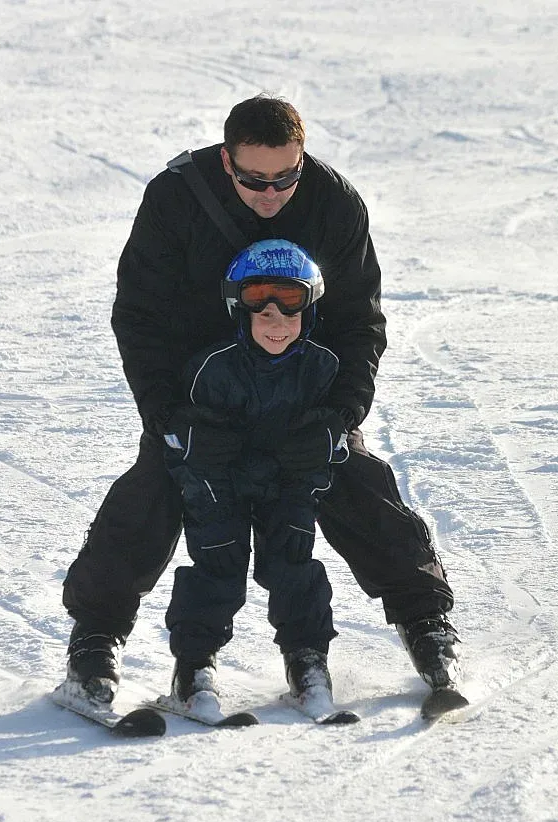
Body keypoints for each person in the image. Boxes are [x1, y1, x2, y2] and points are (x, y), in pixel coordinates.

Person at [63, 94, 461, 705]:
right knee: (156, 487)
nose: (272, 194)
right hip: (203, 394)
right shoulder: (175, 199)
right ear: (227, 160)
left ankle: (425, 621)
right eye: (255, 180)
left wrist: (340, 413)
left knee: (353, 478)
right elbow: (139, 317)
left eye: (286, 178)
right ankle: (95, 638)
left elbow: (360, 321)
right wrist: (168, 416)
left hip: (301, 387)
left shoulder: (333, 202)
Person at [164, 238, 348, 707]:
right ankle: (194, 666)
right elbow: (191, 451)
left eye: (289, 313)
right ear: (239, 312)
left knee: (294, 562)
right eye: (263, 313)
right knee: (217, 565)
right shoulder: (212, 369)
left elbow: (318, 452)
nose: (277, 325)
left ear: (309, 313)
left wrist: (300, 501)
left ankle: (307, 660)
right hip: (219, 486)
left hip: (284, 485)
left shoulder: (321, 368)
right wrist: (211, 506)